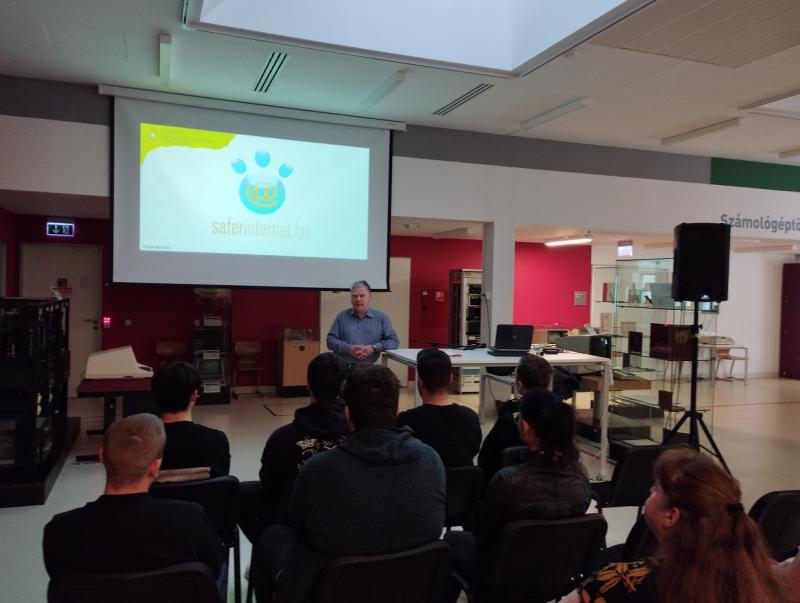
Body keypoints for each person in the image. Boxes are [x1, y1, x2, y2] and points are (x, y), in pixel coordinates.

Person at [252, 364, 446, 603]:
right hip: (412, 586)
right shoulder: (431, 460)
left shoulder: (319, 469)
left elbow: (297, 525)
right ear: (397, 410)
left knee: (273, 537)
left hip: (332, 588)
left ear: (347, 413)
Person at [563, 448, 786, 603]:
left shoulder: (618, 583)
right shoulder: (762, 580)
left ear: (670, 516)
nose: (649, 492)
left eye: (655, 489)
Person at [445, 389, 590, 599]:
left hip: (503, 573)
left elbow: (482, 535)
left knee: (450, 541)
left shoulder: (508, 480)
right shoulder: (581, 476)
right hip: (556, 572)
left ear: (525, 427)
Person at [43, 414, 224, 577]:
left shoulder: (59, 531)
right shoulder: (190, 519)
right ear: (155, 467)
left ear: (101, 455)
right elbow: (215, 568)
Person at [239, 353, 350, 542]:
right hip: (346, 518)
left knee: (241, 492)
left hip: (294, 526)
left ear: (308, 384)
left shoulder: (282, 438)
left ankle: (267, 548)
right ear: (343, 386)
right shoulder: (358, 432)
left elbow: (269, 484)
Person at [396, 347, 481, 466]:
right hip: (463, 478)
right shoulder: (471, 418)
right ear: (451, 378)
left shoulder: (406, 421)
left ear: (420, 381)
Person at [477, 353, 553, 483]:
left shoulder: (507, 422)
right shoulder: (559, 418)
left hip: (507, 487)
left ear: (519, 384)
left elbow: (485, 461)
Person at [152, 361, 230, 476]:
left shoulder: (142, 446)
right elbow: (222, 480)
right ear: (194, 396)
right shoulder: (217, 440)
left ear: (155, 396)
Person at [326, 280, 399, 365]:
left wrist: (374, 347)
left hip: (368, 369)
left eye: (362, 296)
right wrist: (349, 349)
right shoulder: (342, 317)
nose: (358, 299)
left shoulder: (381, 318)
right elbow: (330, 341)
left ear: (370, 296)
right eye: (355, 296)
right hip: (342, 368)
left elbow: (394, 341)